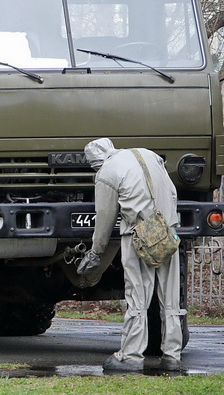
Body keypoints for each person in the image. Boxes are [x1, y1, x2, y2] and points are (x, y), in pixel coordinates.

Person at [77, 138, 184, 372]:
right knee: (170, 296)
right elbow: (172, 192)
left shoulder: (106, 172)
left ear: (95, 160)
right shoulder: (148, 154)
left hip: (138, 235)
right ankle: (172, 355)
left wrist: (96, 253)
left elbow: (104, 217)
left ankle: (131, 356)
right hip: (167, 230)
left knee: (138, 295)